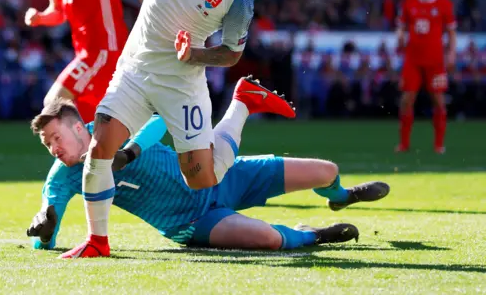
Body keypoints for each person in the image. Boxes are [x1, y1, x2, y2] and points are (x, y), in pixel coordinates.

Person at [63, 0, 293, 258]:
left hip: (181, 83)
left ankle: (241, 105)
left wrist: (195, 54)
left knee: (201, 179)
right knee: (100, 148)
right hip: (135, 70)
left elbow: (232, 52)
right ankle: (97, 241)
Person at [26, 85, 389, 254]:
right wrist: (44, 231)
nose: (54, 150)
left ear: (78, 128)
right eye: (47, 146)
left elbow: (156, 120)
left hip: (217, 174)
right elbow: (48, 226)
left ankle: (341, 197)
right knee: (270, 240)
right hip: (194, 222)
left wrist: (129, 153)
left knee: (326, 170)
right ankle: (313, 235)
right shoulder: (63, 175)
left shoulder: (110, 128)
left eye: (55, 138)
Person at [396, 0, 457, 154]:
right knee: (407, 99)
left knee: (438, 101)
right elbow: (401, 26)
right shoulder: (409, 3)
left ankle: (439, 144)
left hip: (435, 61)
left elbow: (451, 32)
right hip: (413, 60)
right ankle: (404, 143)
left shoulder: (444, 4)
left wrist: (451, 53)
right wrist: (400, 37)